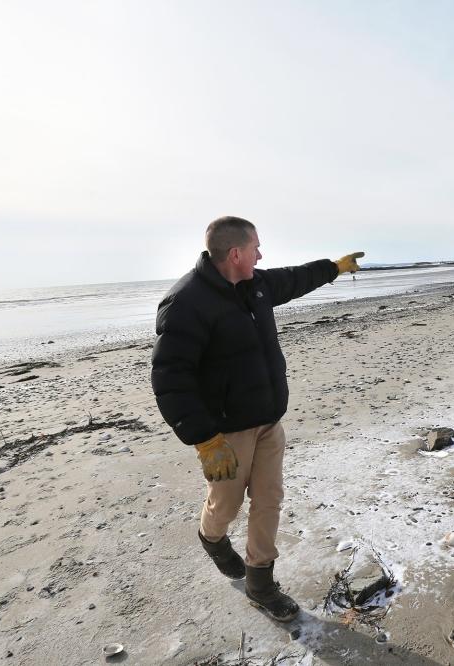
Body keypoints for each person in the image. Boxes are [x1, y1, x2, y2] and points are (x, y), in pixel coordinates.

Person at [150, 216, 363, 621]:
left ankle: (260, 584)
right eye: (255, 249)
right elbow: (170, 378)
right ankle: (211, 538)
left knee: (269, 500)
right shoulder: (186, 303)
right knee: (225, 507)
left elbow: (293, 279)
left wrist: (334, 268)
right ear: (235, 254)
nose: (261, 255)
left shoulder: (256, 287)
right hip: (224, 433)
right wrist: (204, 439)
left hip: (268, 420)